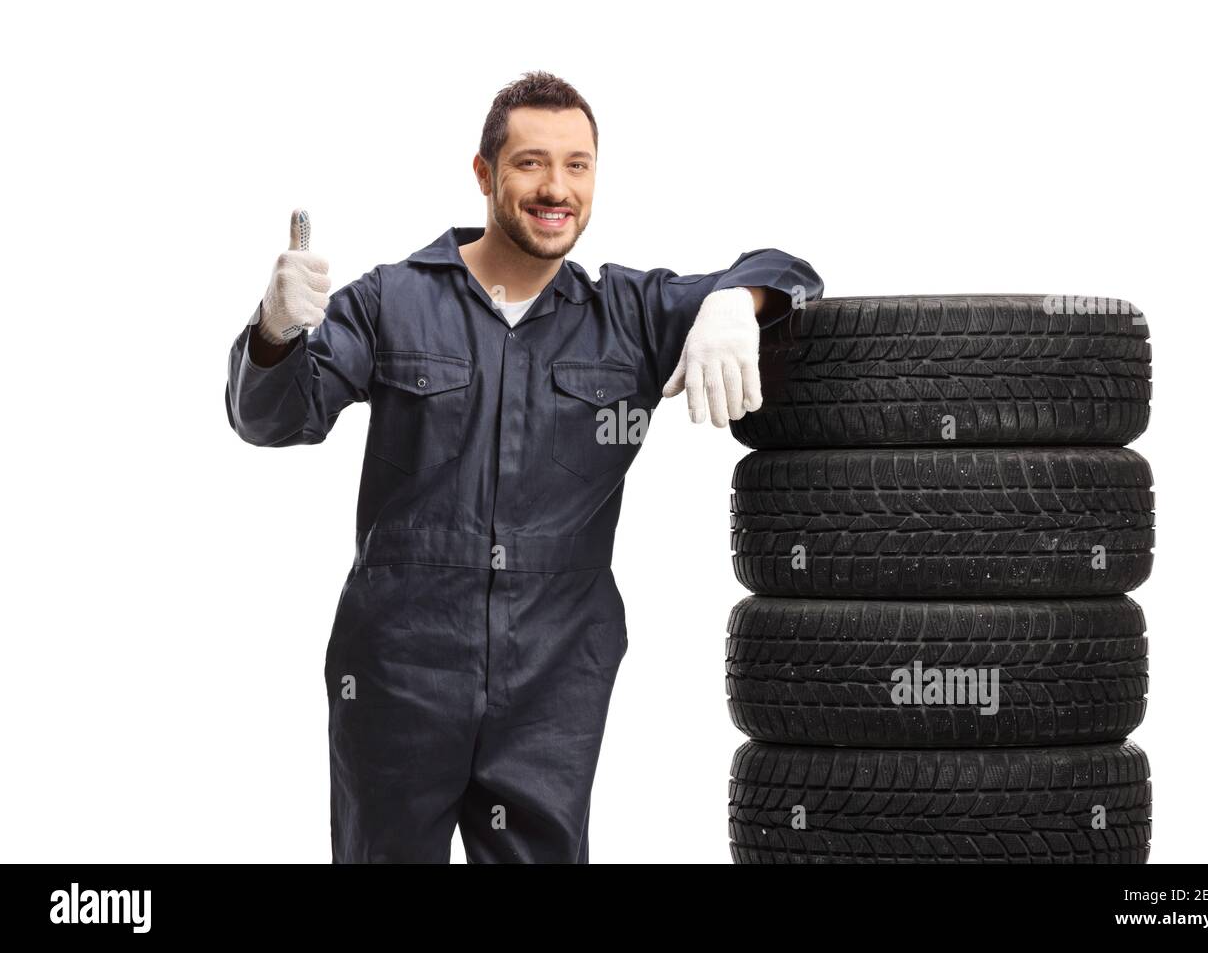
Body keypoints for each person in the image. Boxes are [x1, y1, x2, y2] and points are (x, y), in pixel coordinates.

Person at [225, 70, 823, 863]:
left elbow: (792, 268)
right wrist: (272, 331)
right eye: (532, 163)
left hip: (554, 679)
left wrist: (735, 301)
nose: (557, 187)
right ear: (484, 174)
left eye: (578, 165)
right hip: (399, 672)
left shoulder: (629, 317)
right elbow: (273, 418)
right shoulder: (391, 302)